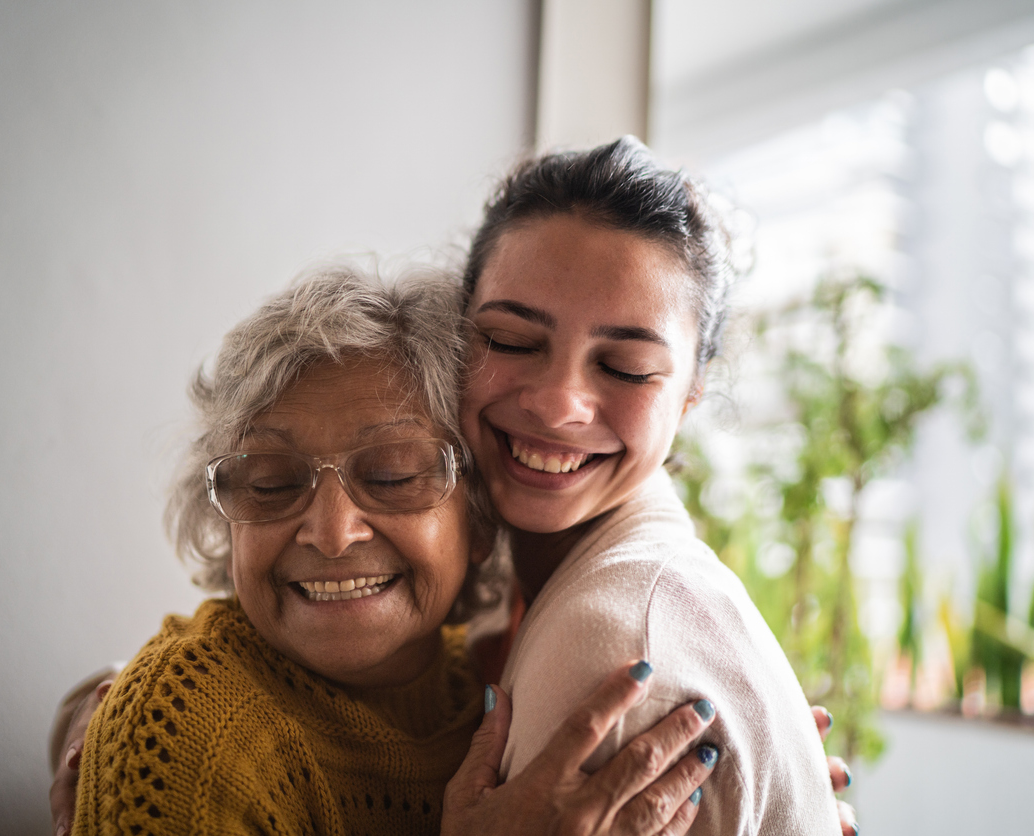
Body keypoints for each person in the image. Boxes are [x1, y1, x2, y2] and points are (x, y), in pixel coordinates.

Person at [63, 267, 721, 836]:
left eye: (394, 476)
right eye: (270, 483)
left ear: (482, 515)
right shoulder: (186, 723)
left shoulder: (495, 672)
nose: (330, 531)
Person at [443, 137, 854, 835]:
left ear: (691, 393)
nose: (556, 403)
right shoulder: (517, 594)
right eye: (510, 341)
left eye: (627, 367)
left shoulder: (608, 655)